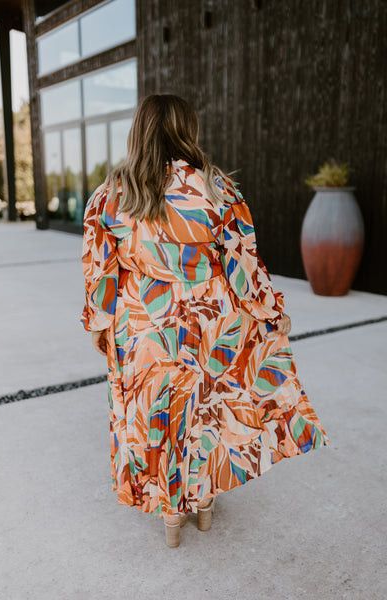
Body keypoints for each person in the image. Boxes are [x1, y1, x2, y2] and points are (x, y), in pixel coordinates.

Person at [80, 93, 330, 548]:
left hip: (143, 328)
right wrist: (271, 313)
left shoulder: (111, 194)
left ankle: (170, 515)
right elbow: (244, 265)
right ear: (187, 130)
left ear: (139, 131)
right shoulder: (216, 187)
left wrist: (100, 324)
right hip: (211, 324)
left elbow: (100, 270)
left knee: (157, 418)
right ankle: (204, 503)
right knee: (205, 414)